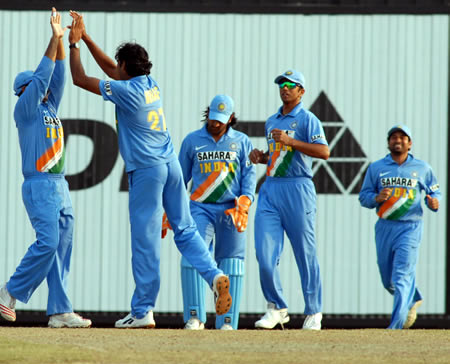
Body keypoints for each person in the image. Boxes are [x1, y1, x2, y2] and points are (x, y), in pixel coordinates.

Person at [67, 11, 231, 328]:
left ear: (126, 67)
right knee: (185, 230)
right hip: (170, 165)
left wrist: (73, 46)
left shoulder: (127, 92)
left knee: (145, 240)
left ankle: (142, 311)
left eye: (120, 65)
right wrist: (86, 38)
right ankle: (215, 275)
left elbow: (79, 78)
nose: (117, 69)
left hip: (148, 171)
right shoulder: (150, 84)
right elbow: (113, 71)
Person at [0, 8, 91, 328]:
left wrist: (63, 41)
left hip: (59, 184)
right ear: (26, 90)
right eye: (41, 87)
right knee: (48, 241)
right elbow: (43, 77)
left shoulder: (50, 105)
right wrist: (52, 38)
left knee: (62, 246)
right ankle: (9, 291)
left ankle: (59, 311)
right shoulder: (24, 107)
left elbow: (59, 75)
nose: (48, 89)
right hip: (39, 183)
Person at [249, 69, 329, 330]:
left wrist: (291, 141)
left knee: (305, 253)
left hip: (298, 189)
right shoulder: (271, 120)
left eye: (291, 85)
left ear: (301, 91)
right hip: (271, 188)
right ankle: (276, 307)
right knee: (264, 252)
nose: (284, 88)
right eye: (281, 84)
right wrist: (261, 158)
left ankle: (313, 312)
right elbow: (277, 156)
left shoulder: (308, 119)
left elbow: (324, 151)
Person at [176, 95, 256, 330]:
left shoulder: (242, 142)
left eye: (221, 120)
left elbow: (249, 176)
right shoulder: (192, 141)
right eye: (212, 118)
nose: (215, 123)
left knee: (232, 262)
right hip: (200, 207)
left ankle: (226, 321)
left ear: (231, 118)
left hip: (231, 209)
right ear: (207, 113)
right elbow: (181, 178)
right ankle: (195, 316)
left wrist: (246, 201)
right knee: (192, 255)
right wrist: (171, 209)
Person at [359, 124, 440, 329]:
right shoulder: (377, 168)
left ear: (410, 143)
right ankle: (412, 298)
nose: (398, 140)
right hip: (385, 227)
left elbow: (435, 192)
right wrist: (377, 197)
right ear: (388, 143)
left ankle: (395, 326)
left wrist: (433, 202)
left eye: (403, 137)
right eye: (394, 137)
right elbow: (363, 197)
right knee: (388, 280)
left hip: (410, 227)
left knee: (401, 276)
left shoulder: (422, 168)